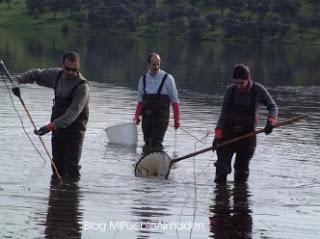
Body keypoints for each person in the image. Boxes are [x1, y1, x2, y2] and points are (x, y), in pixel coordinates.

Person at [12, 51, 89, 181]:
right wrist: (17, 81)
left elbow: (72, 113)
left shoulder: (82, 87)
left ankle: (73, 193)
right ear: (62, 65)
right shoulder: (57, 75)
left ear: (78, 66)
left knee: (71, 167)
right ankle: (58, 197)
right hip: (57, 130)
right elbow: (36, 74)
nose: (70, 72)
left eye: (74, 69)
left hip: (74, 131)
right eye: (68, 69)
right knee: (57, 165)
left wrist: (50, 126)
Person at [212, 63, 278, 184]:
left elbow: (272, 107)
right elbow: (223, 115)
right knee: (221, 170)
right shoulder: (230, 92)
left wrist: (271, 121)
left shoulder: (258, 90)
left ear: (248, 79)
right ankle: (220, 200)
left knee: (241, 173)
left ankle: (240, 201)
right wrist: (217, 135)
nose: (238, 86)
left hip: (247, 138)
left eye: (241, 83)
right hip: (228, 135)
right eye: (236, 83)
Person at [134, 53, 180, 154]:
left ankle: (156, 163)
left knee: (155, 143)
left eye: (158, 64)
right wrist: (137, 116)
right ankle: (145, 165)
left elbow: (175, 102)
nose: (156, 67)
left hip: (161, 119)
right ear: (148, 64)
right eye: (154, 64)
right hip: (147, 118)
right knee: (147, 143)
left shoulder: (168, 79)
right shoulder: (143, 79)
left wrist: (177, 120)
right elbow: (140, 101)